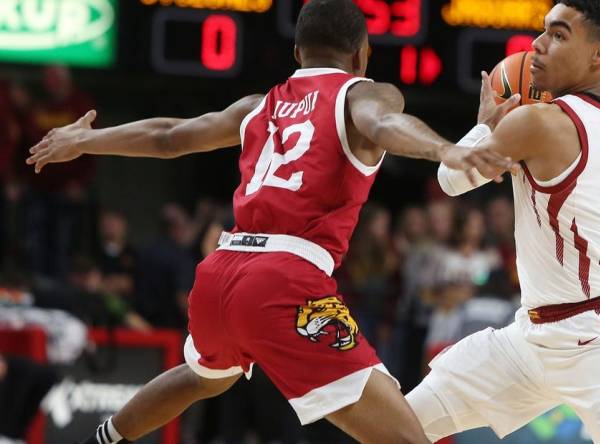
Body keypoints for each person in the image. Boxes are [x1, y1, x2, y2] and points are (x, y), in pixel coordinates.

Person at [25, 1, 519, 443]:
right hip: (286, 280)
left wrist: (84, 140)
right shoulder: (363, 94)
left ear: (298, 52)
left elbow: (169, 136)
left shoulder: (258, 105)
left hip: (221, 273)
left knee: (204, 375)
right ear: (363, 55)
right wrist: (446, 148)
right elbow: (384, 125)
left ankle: (105, 438)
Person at [408, 1, 600, 443]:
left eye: (558, 35)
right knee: (400, 426)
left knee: (396, 430)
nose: (537, 44)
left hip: (597, 340)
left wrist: (485, 127)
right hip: (532, 339)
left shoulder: (536, 121)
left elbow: (450, 180)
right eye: (543, 31)